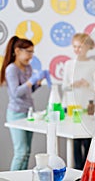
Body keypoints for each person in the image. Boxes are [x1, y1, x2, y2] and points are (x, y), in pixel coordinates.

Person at [0, 36, 51, 170]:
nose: (31, 56)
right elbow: (16, 92)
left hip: (28, 113)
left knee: (27, 152)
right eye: (28, 52)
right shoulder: (11, 69)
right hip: (16, 113)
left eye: (32, 52)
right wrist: (32, 80)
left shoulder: (27, 68)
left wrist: (37, 84)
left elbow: (28, 91)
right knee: (20, 152)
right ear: (17, 51)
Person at [62, 33, 95, 170]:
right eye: (74, 47)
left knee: (88, 141)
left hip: (88, 110)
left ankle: (88, 172)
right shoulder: (69, 65)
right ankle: (77, 172)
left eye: (80, 47)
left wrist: (88, 85)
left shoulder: (94, 65)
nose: (77, 50)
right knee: (75, 141)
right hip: (72, 109)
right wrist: (74, 84)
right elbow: (64, 86)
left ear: (88, 47)